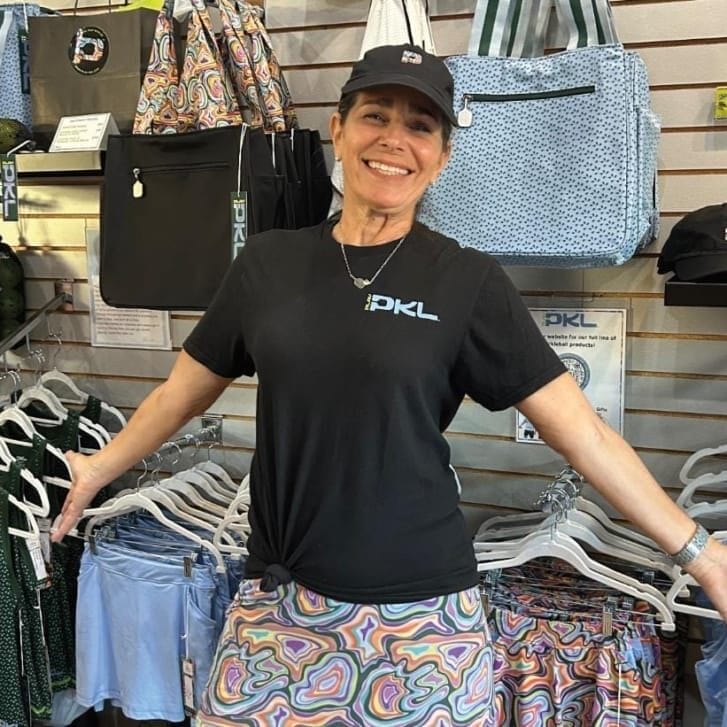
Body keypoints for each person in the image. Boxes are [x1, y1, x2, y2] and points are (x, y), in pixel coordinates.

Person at [52, 44, 727, 725]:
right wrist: (98, 465)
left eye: (421, 126)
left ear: (443, 156)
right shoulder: (267, 265)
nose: (394, 140)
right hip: (280, 605)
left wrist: (703, 558)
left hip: (422, 618)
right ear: (339, 130)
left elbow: (583, 435)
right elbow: (180, 391)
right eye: (375, 115)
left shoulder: (466, 282)